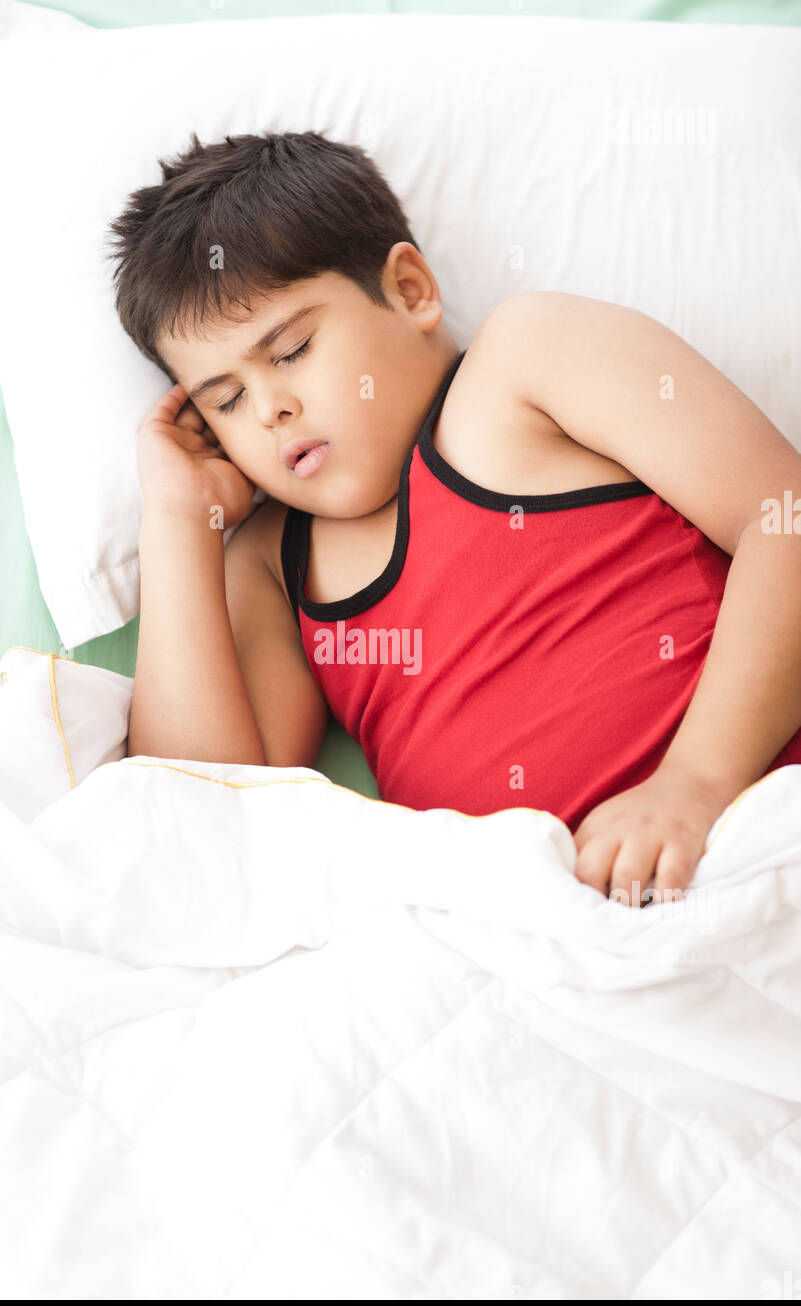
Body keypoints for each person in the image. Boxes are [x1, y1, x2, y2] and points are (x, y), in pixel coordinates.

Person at [106, 129, 801, 907]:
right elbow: (201, 823)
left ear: (409, 290)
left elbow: (784, 522)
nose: (270, 409)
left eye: (292, 349)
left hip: (744, 824)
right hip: (536, 937)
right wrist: (175, 522)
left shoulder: (526, 361)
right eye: (225, 401)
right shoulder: (271, 562)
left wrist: (696, 782)